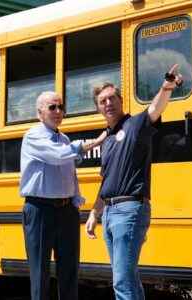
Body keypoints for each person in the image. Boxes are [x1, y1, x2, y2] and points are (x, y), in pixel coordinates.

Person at [84, 65, 183, 300]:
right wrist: (94, 213)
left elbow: (155, 109)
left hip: (129, 209)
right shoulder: (107, 141)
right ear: (98, 108)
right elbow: (106, 181)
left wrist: (166, 86)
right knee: (128, 278)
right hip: (109, 211)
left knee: (122, 280)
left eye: (111, 98)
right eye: (102, 101)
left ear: (120, 100)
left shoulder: (136, 125)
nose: (108, 103)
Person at [20, 91, 107, 300]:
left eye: (61, 107)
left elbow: (70, 173)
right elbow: (58, 156)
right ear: (40, 113)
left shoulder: (64, 138)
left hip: (66, 210)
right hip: (40, 209)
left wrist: (75, 200)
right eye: (52, 107)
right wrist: (94, 142)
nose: (58, 111)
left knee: (69, 270)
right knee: (40, 272)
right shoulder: (33, 135)